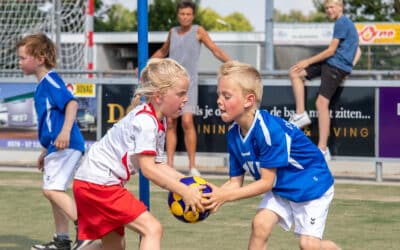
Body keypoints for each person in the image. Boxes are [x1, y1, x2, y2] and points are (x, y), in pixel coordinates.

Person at [203, 60, 340, 250]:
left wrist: (224, 196)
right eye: (219, 94)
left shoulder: (268, 131)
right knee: (260, 224)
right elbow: (235, 182)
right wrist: (211, 196)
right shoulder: (233, 134)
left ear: (249, 100)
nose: (219, 100)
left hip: (311, 186)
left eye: (226, 96)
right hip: (282, 186)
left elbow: (266, 183)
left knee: (308, 245)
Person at [73, 58, 206, 250]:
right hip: (98, 184)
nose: (185, 98)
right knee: (152, 229)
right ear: (159, 96)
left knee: (115, 245)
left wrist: (189, 182)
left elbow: (159, 165)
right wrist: (183, 190)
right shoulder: (146, 122)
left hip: (91, 182)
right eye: (181, 93)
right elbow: (149, 170)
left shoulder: (156, 120)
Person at [16, 33, 92, 250]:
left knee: (52, 190)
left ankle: (88, 231)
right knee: (55, 192)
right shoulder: (41, 86)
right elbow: (51, 122)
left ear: (40, 58)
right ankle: (62, 241)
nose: (20, 62)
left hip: (66, 144)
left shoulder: (51, 80)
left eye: (23, 58)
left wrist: (65, 132)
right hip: (56, 146)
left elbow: (71, 104)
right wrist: (44, 151)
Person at [150, 0, 231, 176]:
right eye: (182, 14)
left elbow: (215, 50)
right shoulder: (172, 32)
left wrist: (233, 63)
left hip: (189, 84)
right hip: (171, 83)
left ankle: (192, 166)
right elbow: (163, 52)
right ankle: (169, 165)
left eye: (188, 14)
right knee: (170, 123)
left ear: (192, 16)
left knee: (187, 121)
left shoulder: (198, 31)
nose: (185, 17)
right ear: (178, 15)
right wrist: (146, 63)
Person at [288, 0, 361, 161]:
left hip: (335, 66)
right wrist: (350, 66)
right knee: (295, 73)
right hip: (332, 64)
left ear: (340, 7)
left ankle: (322, 149)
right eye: (326, 8)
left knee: (321, 103)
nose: (328, 10)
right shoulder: (345, 24)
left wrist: (308, 61)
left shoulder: (342, 22)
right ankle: (300, 114)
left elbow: (330, 51)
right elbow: (359, 49)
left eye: (331, 7)